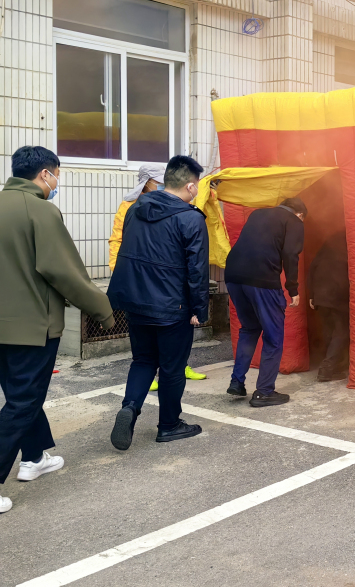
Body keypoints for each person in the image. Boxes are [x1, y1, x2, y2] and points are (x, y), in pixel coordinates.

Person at [0, 146, 116, 513]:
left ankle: (34, 458)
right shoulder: (41, 211)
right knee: (23, 401)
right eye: (57, 175)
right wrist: (103, 310)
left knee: (21, 395)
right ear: (45, 174)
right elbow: (64, 272)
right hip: (32, 327)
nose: (56, 183)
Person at [107, 155, 209, 451]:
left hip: (136, 302)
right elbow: (197, 269)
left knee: (143, 361)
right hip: (172, 307)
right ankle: (169, 425)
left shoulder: (135, 209)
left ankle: (130, 407)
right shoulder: (191, 218)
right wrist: (198, 309)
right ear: (190, 186)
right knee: (172, 368)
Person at [224, 198, 306, 407]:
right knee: (273, 336)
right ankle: (264, 392)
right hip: (262, 280)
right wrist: (293, 289)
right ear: (299, 214)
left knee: (250, 328)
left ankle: (237, 381)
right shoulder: (294, 221)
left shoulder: (257, 214)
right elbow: (291, 254)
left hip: (233, 276)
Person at [309, 230, 350, 382]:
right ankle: (327, 368)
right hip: (337, 296)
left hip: (320, 296)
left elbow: (312, 268)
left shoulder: (326, 248)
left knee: (329, 331)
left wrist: (312, 295)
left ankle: (334, 367)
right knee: (341, 332)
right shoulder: (348, 246)